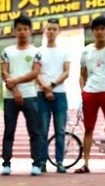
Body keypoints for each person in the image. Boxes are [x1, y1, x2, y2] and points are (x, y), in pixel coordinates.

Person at [76, 16, 105, 175]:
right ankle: (86, 163)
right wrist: (83, 91)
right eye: (96, 29)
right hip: (90, 93)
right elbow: (82, 74)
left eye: (102, 29)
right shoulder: (86, 50)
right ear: (92, 32)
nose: (99, 32)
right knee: (88, 129)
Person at [1, 14, 43, 176]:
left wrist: (16, 81)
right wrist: (15, 90)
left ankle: (37, 163)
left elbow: (35, 72)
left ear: (30, 31)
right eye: (19, 29)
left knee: (34, 131)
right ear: (14, 31)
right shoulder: (7, 51)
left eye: (25, 29)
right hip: (10, 96)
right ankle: (6, 163)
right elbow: (4, 72)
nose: (22, 32)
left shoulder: (36, 51)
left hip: (31, 95)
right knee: (8, 131)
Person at [36, 18, 70, 174]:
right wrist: (45, 87)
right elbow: (35, 72)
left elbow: (66, 72)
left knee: (60, 131)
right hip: (41, 95)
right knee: (42, 130)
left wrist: (52, 86)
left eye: (54, 29)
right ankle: (42, 162)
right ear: (45, 30)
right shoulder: (38, 51)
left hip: (60, 94)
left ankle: (60, 162)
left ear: (58, 31)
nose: (51, 31)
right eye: (48, 28)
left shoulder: (64, 51)